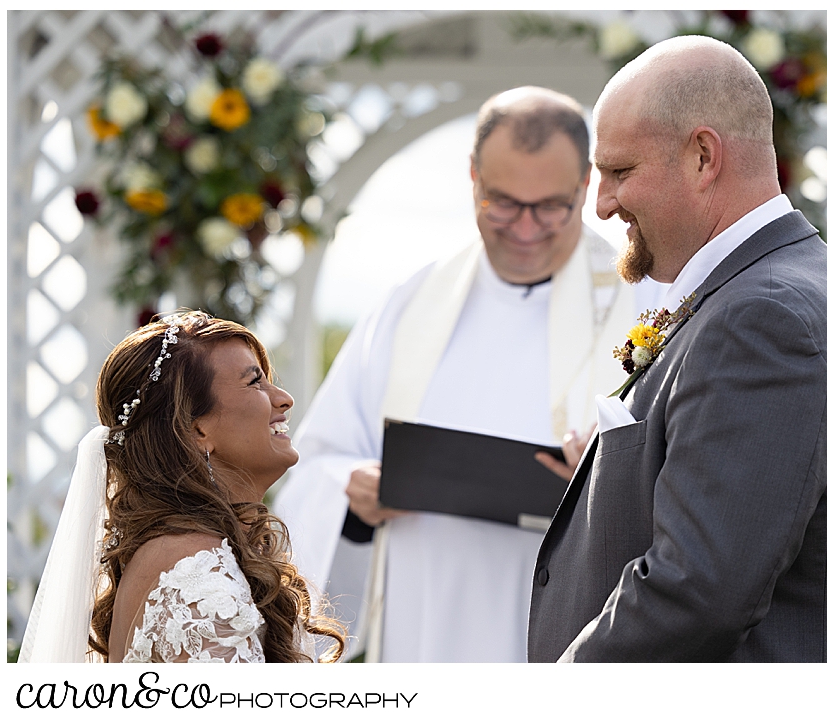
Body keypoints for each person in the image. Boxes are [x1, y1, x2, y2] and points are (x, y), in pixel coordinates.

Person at [527, 36, 827, 662]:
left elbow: (697, 592)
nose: (603, 203)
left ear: (703, 156)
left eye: (621, 172)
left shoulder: (765, 320)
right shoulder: (779, 286)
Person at [275, 87, 666, 662]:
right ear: (473, 178)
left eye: (551, 206)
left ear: (586, 186)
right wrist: (353, 490)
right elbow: (316, 461)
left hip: (577, 640)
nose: (526, 227)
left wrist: (603, 479)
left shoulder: (645, 306)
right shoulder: (411, 303)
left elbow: (691, 480)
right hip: (425, 629)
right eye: (503, 202)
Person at [19, 311, 344, 663]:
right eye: (254, 383)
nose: (283, 398)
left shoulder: (186, 552)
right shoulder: (198, 581)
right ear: (197, 429)